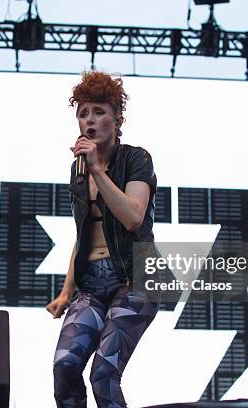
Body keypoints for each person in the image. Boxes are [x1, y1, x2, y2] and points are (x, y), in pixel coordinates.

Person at [45, 71, 159, 408]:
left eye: (98, 112)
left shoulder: (136, 158)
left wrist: (97, 169)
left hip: (135, 280)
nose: (89, 120)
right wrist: (67, 292)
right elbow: (84, 235)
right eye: (83, 113)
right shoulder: (78, 171)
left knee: (104, 372)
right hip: (92, 284)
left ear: (117, 120)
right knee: (65, 366)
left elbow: (134, 216)